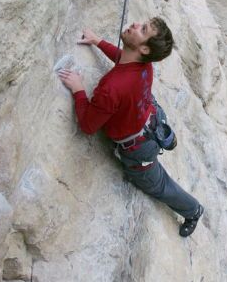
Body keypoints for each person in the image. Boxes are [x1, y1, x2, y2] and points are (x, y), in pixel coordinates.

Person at [58, 20, 204, 238]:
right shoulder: (144, 64)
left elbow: (88, 125)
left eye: (142, 29)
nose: (136, 24)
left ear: (144, 49)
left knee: (158, 184)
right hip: (150, 116)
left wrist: (78, 89)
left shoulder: (111, 88)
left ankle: (193, 210)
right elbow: (123, 60)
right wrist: (98, 41)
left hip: (138, 148)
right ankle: (166, 141)